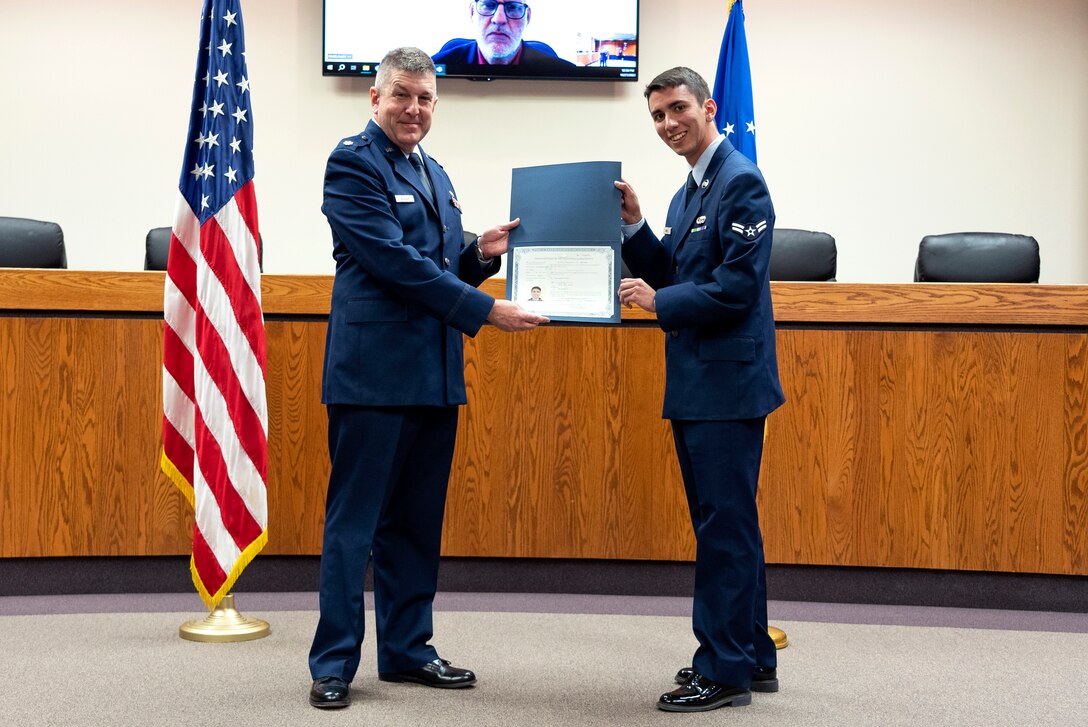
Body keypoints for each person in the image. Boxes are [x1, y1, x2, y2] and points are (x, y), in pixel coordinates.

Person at [308, 46, 548, 710]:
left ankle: (409, 650)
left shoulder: (434, 172)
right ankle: (333, 662)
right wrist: (486, 309)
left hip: (434, 375)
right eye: (402, 96)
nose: (414, 109)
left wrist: (479, 253)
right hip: (373, 377)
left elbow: (438, 264)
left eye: (425, 99)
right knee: (354, 526)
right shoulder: (352, 163)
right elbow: (392, 262)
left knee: (415, 523)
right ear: (375, 99)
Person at [614, 66, 784, 713]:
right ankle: (751, 655)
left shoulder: (740, 181)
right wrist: (635, 228)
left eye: (677, 108)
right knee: (728, 523)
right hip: (700, 382)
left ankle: (724, 669)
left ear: (709, 106)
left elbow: (737, 289)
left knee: (723, 528)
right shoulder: (691, 190)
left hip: (728, 385)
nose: (668, 123)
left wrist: (661, 300)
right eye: (656, 115)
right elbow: (680, 270)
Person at [432, 0, 575, 71]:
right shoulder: (433, 69)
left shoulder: (563, 73)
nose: (499, 19)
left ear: (528, 18)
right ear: (472, 13)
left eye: (512, 7)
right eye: (488, 5)